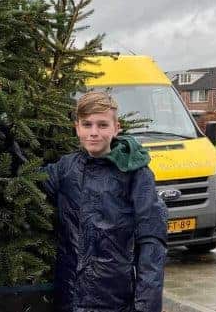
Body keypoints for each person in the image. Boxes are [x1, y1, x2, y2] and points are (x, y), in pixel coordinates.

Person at [42, 91, 168, 312]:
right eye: (87, 124)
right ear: (77, 128)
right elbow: (29, 180)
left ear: (116, 128)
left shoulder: (135, 174)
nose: (94, 132)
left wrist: (146, 306)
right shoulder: (66, 168)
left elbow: (151, 242)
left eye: (102, 125)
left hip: (113, 300)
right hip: (68, 297)